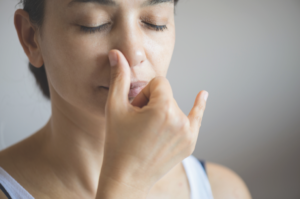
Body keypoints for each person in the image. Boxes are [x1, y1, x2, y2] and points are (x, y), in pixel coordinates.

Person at [0, 0, 252, 198]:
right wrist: (127, 185)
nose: (133, 53)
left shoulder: (222, 191)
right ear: (31, 38)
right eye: (94, 23)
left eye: (155, 22)